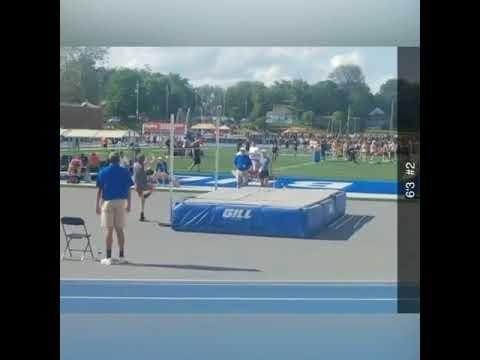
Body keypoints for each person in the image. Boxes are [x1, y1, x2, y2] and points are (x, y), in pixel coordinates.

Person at [95, 152, 134, 265]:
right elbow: (128, 189)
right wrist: (129, 204)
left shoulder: (103, 171)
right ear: (118, 160)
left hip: (108, 202)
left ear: (109, 160)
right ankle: (121, 256)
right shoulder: (125, 171)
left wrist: (97, 205)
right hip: (121, 202)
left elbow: (99, 190)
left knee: (109, 230)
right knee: (120, 230)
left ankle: (108, 257)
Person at [133, 154, 155, 222]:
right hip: (143, 185)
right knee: (153, 187)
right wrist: (153, 158)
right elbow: (150, 162)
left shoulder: (135, 164)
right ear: (142, 160)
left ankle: (141, 214)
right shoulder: (142, 165)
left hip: (137, 186)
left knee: (142, 200)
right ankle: (147, 195)